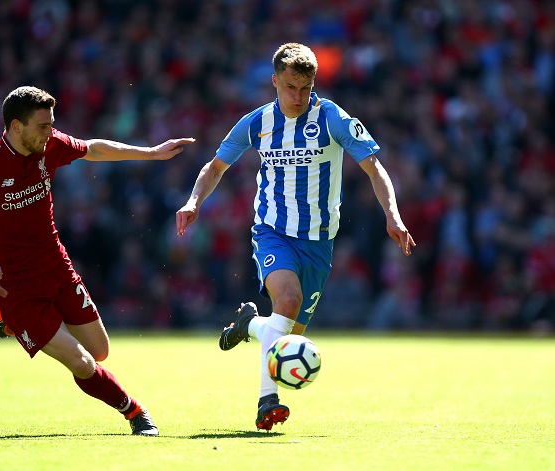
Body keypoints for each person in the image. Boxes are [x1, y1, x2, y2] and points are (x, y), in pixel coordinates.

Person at [175, 43, 415, 431]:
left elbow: (374, 168)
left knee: (285, 335)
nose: (298, 96)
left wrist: (393, 215)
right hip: (272, 231)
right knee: (288, 299)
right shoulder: (256, 123)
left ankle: (250, 324)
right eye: (290, 87)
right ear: (274, 81)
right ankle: (267, 402)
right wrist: (193, 200)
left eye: (305, 88)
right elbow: (215, 166)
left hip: (320, 241)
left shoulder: (332, 118)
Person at [0, 85, 195, 436]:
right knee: (82, 361)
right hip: (15, 287)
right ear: (16, 127)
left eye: (51, 124)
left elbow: (93, 148)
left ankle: (9, 324)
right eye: (43, 126)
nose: (51, 133)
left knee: (100, 350)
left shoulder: (49, 146)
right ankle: (135, 413)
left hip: (57, 268)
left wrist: (151, 153)